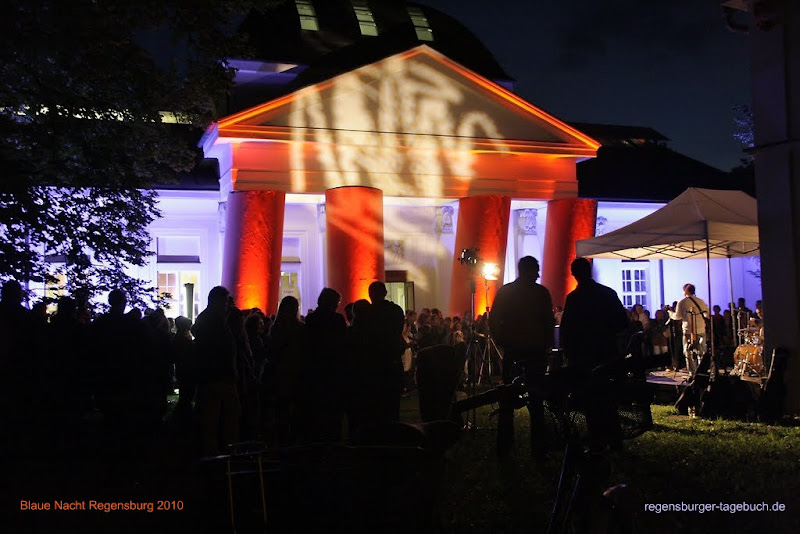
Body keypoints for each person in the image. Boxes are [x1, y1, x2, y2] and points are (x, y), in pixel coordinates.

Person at [559, 257, 629, 451]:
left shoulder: (574, 299)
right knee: (608, 399)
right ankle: (615, 441)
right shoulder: (608, 293)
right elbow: (622, 323)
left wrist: (568, 352)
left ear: (574, 275)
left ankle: (596, 441)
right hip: (606, 353)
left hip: (583, 357)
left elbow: (566, 330)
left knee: (590, 401)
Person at [488, 256, 554, 459]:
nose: (538, 274)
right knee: (537, 402)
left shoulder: (506, 292)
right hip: (534, 352)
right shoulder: (541, 293)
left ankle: (504, 448)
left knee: (507, 401)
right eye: (536, 270)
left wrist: (502, 340)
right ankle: (539, 449)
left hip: (513, 350)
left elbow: (493, 320)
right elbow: (548, 323)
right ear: (530, 271)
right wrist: (546, 345)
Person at [192, 286, 239, 456]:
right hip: (218, 376)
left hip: (214, 376)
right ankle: (220, 451)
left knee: (214, 417)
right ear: (219, 301)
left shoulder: (211, 319)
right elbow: (219, 350)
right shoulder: (215, 322)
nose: (229, 305)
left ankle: (214, 450)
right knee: (224, 416)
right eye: (226, 301)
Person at [670, 283, 709, 376]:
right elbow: (707, 314)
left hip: (688, 330)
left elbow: (677, 316)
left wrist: (670, 313)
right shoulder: (701, 301)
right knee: (701, 351)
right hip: (701, 329)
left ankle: (692, 372)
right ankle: (701, 371)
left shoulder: (682, 302)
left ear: (685, 291)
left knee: (688, 352)